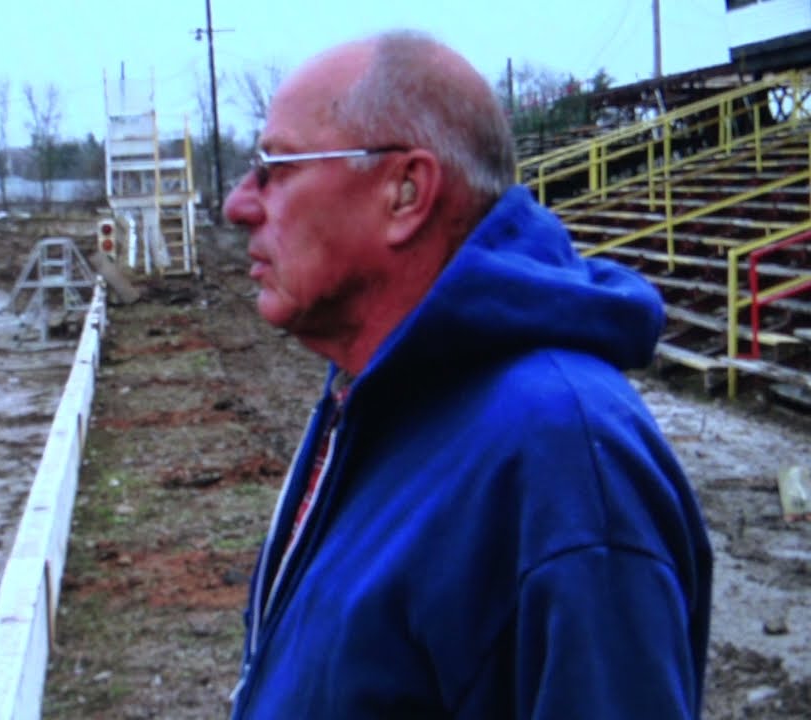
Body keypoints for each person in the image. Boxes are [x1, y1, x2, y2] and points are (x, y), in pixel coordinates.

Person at [221, 30, 713, 719]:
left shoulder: (562, 457)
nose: (239, 204)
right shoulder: (375, 391)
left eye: (277, 166)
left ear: (405, 191)